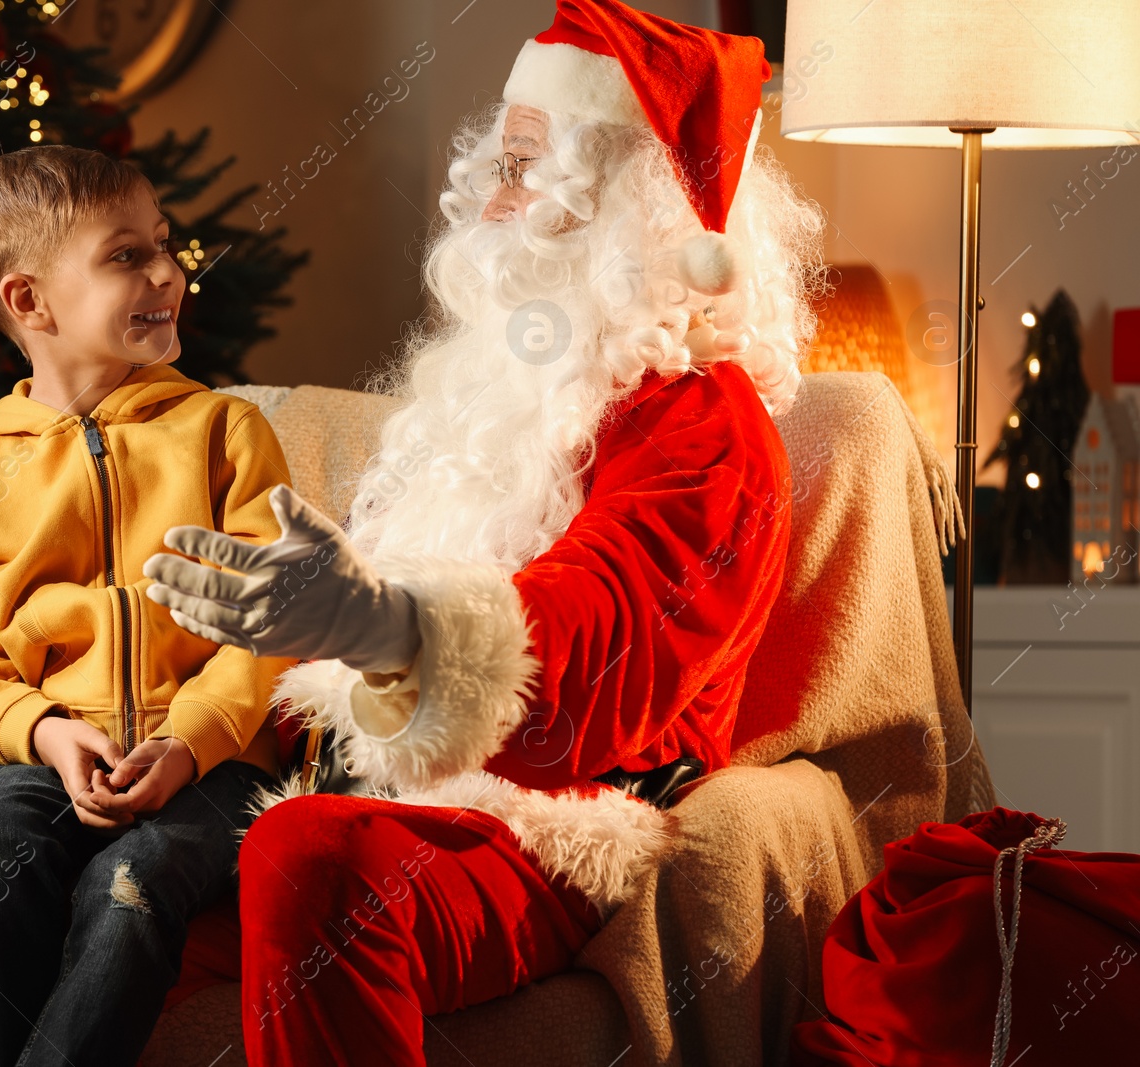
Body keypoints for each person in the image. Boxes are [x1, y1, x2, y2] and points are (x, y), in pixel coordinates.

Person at [139, 1, 825, 1063]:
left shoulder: (703, 427)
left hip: (543, 827)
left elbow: (600, 660)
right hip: (343, 785)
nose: (487, 197)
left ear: (629, 210)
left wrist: (388, 624)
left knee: (313, 856)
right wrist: (23, 688)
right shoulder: (478, 390)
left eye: (522, 165)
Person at [0, 144, 294, 1067]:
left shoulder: (225, 431)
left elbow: (268, 620)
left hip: (217, 759)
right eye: (127, 255)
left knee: (135, 877)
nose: (169, 270)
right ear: (29, 301)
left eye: (165, 242)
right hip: (59, 754)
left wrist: (190, 737)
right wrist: (46, 734)